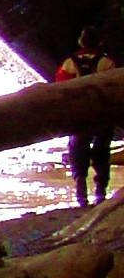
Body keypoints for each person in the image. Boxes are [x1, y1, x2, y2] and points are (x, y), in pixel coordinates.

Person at [55, 26, 114, 206]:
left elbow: (60, 86)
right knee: (102, 151)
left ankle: (81, 190)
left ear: (81, 41)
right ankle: (101, 192)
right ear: (100, 42)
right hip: (101, 113)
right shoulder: (106, 62)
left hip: (78, 114)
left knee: (77, 148)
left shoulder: (69, 63)